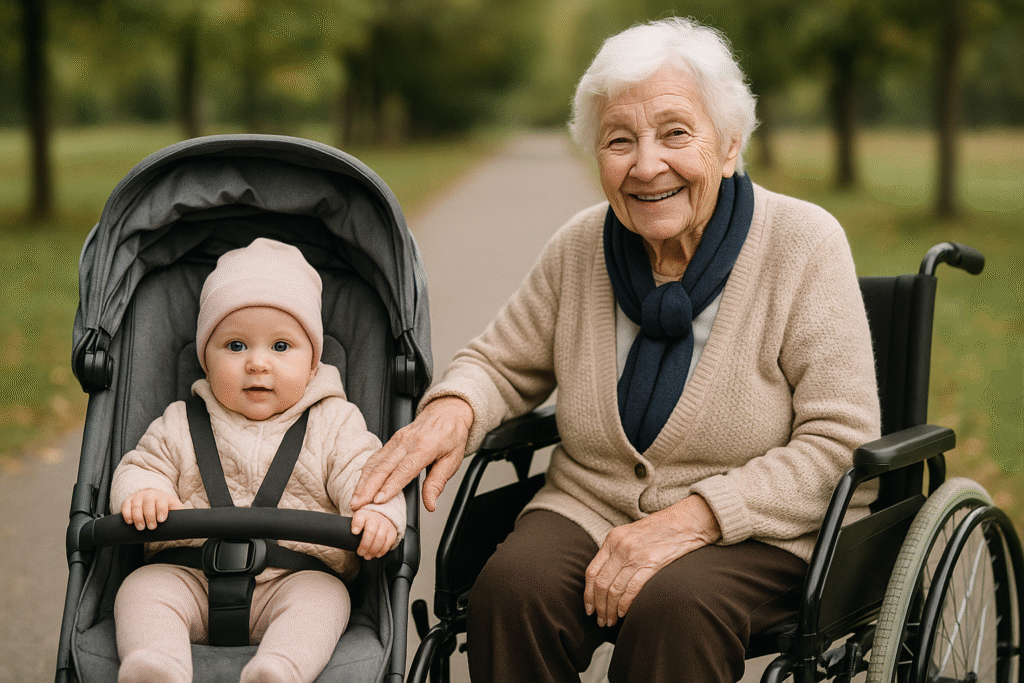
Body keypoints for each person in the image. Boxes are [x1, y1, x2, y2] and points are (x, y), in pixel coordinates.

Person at [353, 16, 881, 683]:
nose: (646, 164)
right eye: (619, 140)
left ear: (728, 146)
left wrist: (697, 516)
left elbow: (840, 440)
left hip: (763, 527)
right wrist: (453, 411)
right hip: (589, 503)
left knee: (676, 609)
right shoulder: (581, 246)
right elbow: (498, 362)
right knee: (509, 593)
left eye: (675, 133)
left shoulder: (803, 243)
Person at [111, 238, 406, 683]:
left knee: (324, 601)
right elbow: (141, 465)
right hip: (188, 574)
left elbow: (368, 476)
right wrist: (144, 492)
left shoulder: (335, 423)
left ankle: (279, 670)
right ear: (204, 361)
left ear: (313, 364)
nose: (257, 364)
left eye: (282, 347)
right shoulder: (179, 421)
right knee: (141, 591)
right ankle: (158, 665)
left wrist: (377, 513)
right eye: (234, 346)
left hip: (295, 577)